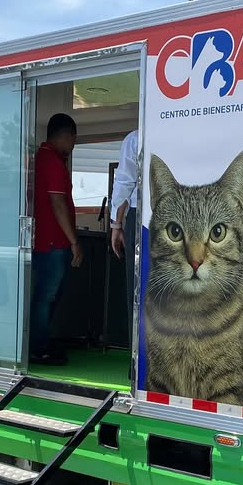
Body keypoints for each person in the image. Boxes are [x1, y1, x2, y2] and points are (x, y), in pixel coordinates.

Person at [31, 113, 82, 365]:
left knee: (45, 295)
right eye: (73, 140)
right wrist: (74, 241)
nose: (72, 146)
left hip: (47, 242)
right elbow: (58, 203)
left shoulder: (42, 158)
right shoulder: (51, 161)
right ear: (65, 136)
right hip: (52, 243)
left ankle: (41, 344)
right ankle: (39, 348)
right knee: (46, 296)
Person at [110, 129, 139, 341]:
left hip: (141, 215)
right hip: (180, 211)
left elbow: (125, 182)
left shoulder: (136, 138)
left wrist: (116, 224)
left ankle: (137, 361)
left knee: (136, 289)